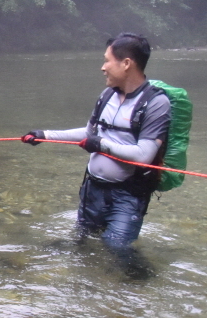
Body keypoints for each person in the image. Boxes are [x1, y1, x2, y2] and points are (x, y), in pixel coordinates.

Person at [21, 32, 171, 248]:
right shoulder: (107, 95)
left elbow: (143, 156)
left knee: (117, 248)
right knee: (83, 242)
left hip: (127, 195)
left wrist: (101, 145)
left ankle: (137, 271)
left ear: (126, 63)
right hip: (93, 189)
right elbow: (89, 133)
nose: (103, 67)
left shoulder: (157, 103)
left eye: (107, 60)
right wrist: (45, 135)